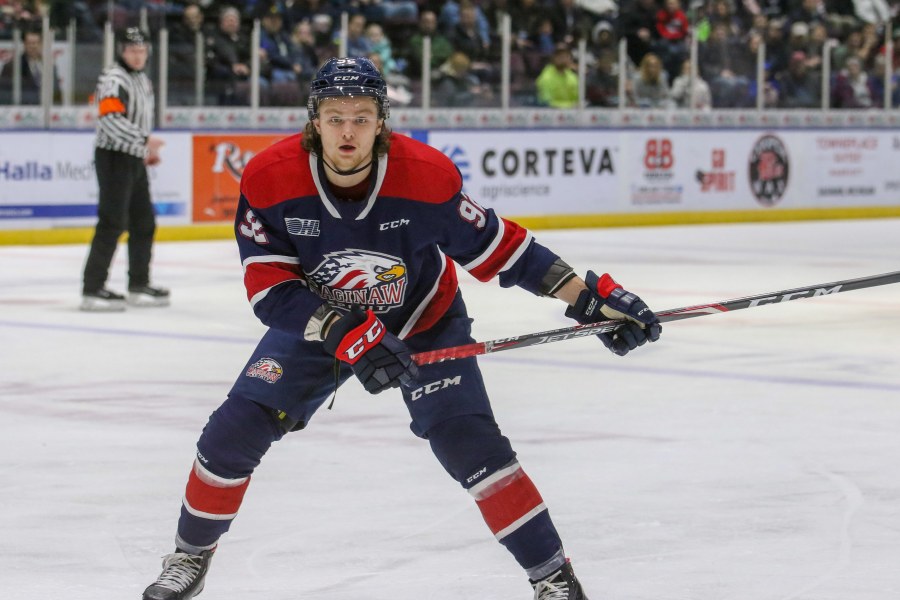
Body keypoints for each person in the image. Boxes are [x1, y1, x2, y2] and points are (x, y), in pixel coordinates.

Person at [140, 56, 662, 599]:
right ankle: (189, 558)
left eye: (362, 117)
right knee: (232, 433)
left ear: (382, 121)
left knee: (469, 443)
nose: (348, 130)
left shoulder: (425, 177)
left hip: (422, 319)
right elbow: (270, 289)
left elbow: (501, 247)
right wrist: (346, 333)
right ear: (313, 120)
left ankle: (555, 579)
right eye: (335, 116)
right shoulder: (270, 179)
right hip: (321, 321)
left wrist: (586, 299)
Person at [81, 27, 168, 312]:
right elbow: (109, 119)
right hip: (113, 157)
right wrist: (143, 141)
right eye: (132, 50)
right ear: (122, 51)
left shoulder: (142, 79)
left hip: (132, 158)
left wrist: (143, 150)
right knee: (112, 221)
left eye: (142, 50)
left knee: (144, 222)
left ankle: (138, 283)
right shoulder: (113, 78)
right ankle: (92, 289)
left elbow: (137, 119)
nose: (138, 55)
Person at [0, 28, 60, 105]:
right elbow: (4, 93)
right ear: (24, 44)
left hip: (46, 110)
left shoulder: (49, 66)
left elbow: (57, 92)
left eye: (36, 43)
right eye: (30, 43)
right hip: (22, 110)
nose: (33, 46)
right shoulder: (12, 66)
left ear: (41, 44)